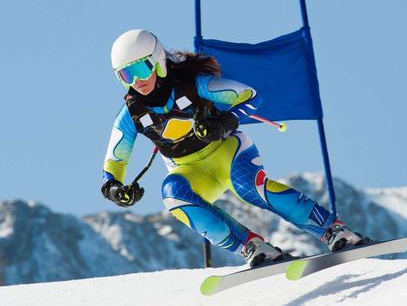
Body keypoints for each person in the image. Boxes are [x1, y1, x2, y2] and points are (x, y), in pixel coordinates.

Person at [101, 29, 365, 268]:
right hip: (191, 170)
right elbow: (114, 163)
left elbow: (251, 95)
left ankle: (333, 230)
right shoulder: (130, 114)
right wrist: (115, 189)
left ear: (157, 61)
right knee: (173, 196)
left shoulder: (192, 84)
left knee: (248, 188)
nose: (137, 80)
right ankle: (251, 246)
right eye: (126, 74)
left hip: (227, 151)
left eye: (142, 69)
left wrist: (224, 122)